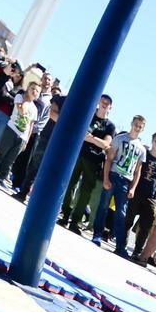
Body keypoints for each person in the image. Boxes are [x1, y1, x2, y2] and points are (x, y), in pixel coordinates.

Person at [60, 95, 116, 233]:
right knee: (70, 185)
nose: (104, 104)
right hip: (77, 154)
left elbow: (105, 144)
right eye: (103, 101)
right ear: (98, 102)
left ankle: (75, 221)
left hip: (94, 160)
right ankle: (65, 214)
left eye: (107, 103)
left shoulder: (110, 126)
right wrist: (96, 140)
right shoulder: (89, 115)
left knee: (85, 192)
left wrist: (90, 138)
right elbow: (79, 132)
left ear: (110, 107)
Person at [94, 114, 148, 252]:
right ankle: (97, 235)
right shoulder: (119, 139)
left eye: (140, 126)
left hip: (126, 181)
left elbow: (138, 171)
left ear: (143, 128)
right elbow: (109, 159)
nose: (137, 127)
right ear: (132, 123)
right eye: (136, 124)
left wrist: (133, 188)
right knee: (103, 206)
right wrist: (106, 178)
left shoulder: (141, 149)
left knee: (121, 213)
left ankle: (119, 246)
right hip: (113, 175)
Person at [125, 132, 156, 260]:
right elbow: (135, 170)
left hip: (151, 198)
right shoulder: (144, 153)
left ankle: (137, 251)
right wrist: (131, 187)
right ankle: (121, 244)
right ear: (152, 140)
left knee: (145, 227)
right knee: (128, 220)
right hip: (136, 192)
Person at [0, 81, 39, 185]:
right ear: (28, 88)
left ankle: (2, 177)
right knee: (1, 152)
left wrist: (26, 140)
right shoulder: (20, 97)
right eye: (32, 88)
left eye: (37, 91)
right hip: (12, 130)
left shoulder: (35, 109)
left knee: (10, 159)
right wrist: (27, 99)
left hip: (22, 137)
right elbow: (21, 110)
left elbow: (31, 124)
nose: (34, 91)